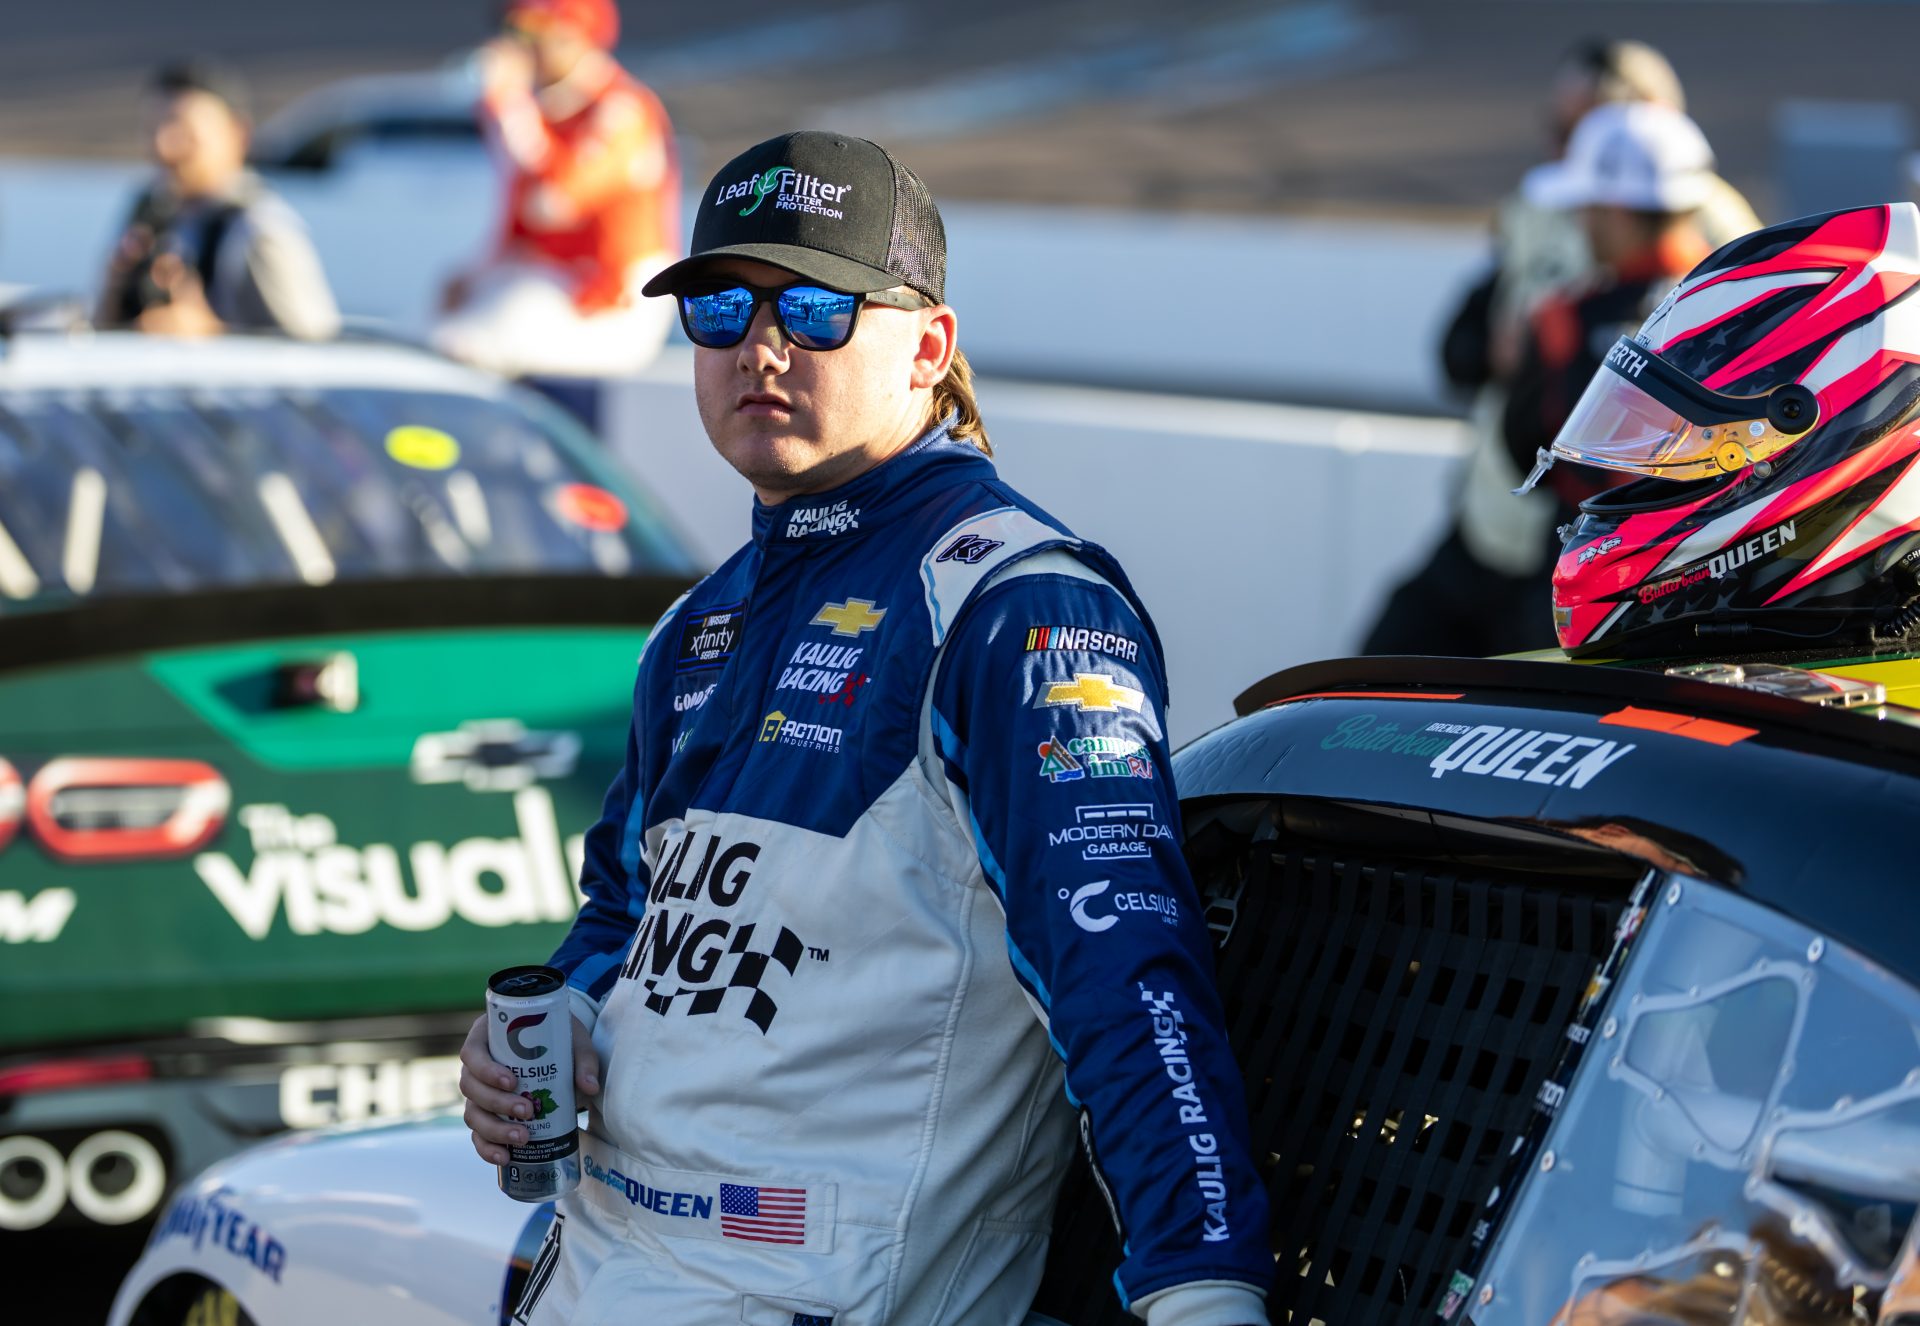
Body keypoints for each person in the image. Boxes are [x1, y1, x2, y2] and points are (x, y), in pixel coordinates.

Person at [457, 130, 1273, 1326]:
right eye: (723, 308)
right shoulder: (696, 627)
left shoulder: (1017, 604)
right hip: (595, 1272)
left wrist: (1203, 1293)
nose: (763, 349)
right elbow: (622, 920)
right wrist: (555, 1021)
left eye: (819, 311)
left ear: (929, 347)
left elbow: (1126, 975)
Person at [1365, 38, 1756, 657]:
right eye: (1558, 128)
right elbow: (1457, 353)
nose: (1561, 148)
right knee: (1375, 671)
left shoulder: (1725, 238)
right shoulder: (1538, 205)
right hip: (1493, 532)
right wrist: (1505, 353)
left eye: (1576, 129)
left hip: (1601, 560)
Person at [431, 0, 679, 379]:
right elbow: (521, 221)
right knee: (433, 322)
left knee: (469, 344)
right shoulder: (545, 111)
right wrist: (475, 275)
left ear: (576, 35)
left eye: (531, 31)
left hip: (614, 303)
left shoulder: (623, 109)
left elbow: (553, 201)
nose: (518, 47)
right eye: (511, 30)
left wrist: (510, 103)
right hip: (554, 288)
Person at [96, 60, 340, 340]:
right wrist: (114, 297)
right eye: (153, 129)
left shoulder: (258, 232)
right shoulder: (149, 215)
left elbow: (315, 358)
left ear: (238, 134)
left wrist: (211, 333)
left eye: (185, 132)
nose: (164, 147)